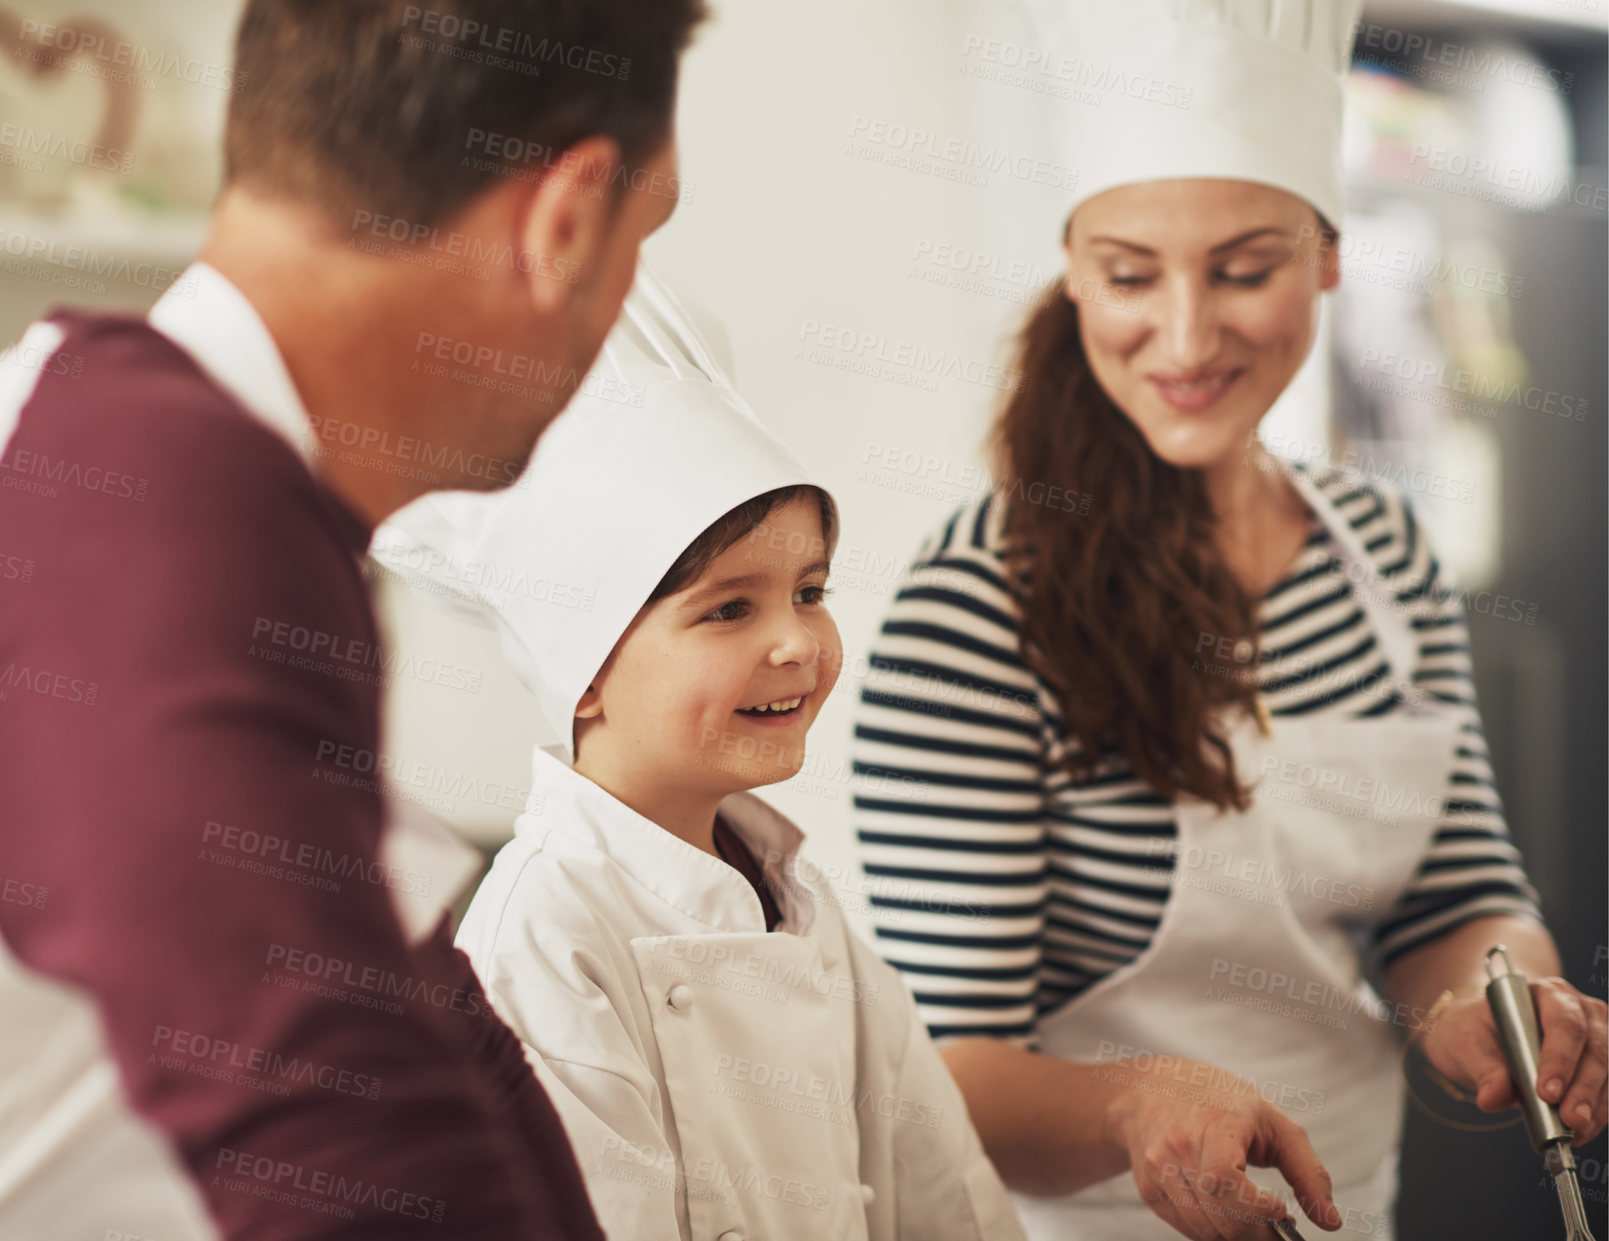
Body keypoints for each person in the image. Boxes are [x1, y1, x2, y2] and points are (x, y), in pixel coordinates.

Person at [848, 1, 1607, 1238]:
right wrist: (1137, 1103)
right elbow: (949, 1068)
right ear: (1074, 272)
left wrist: (1498, 993)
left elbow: (1447, 893)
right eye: (1130, 274)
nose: (1186, 335)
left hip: (1357, 1205)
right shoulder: (978, 603)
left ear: (1327, 258)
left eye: (1246, 268)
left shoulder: (1381, 550)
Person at [0, 1, 703, 1237]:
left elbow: (428, 1024)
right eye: (642, 233)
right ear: (565, 220)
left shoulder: (157, 458)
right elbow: (344, 1142)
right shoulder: (157, 488)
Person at [370, 266, 1028, 1240]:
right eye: (730, 608)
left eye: (810, 590)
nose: (798, 641)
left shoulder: (802, 910)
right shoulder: (543, 944)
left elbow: (949, 1200)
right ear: (582, 669)